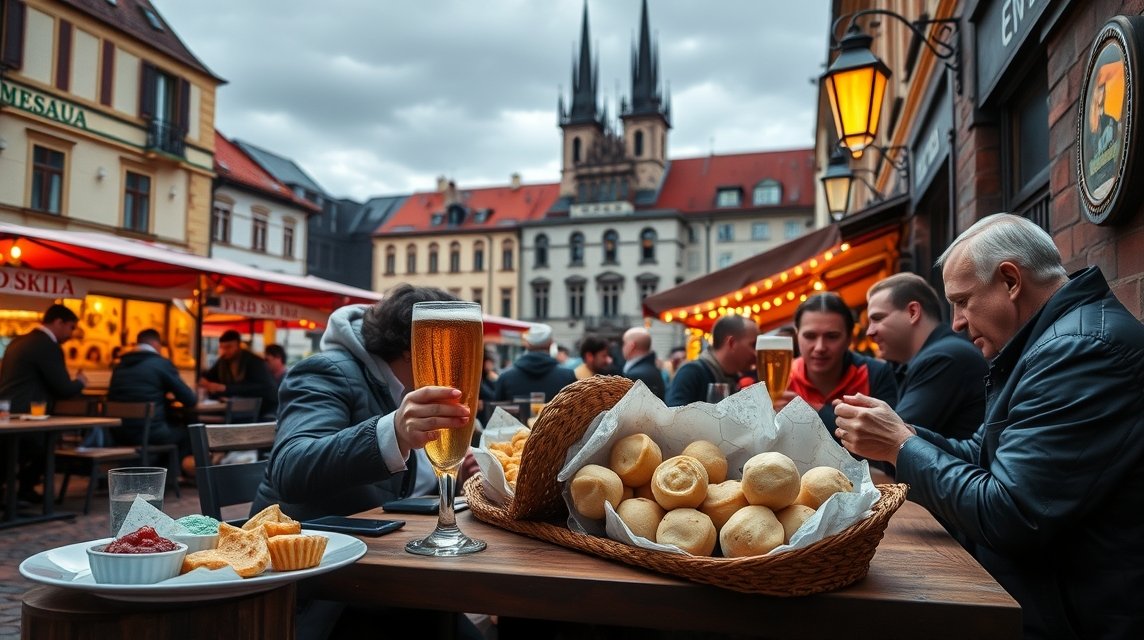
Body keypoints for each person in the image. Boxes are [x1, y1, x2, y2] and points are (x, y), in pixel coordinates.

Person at [833, 213, 1144, 639]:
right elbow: (983, 456)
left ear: (1011, 281)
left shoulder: (1078, 350)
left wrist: (902, 446)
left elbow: (1010, 514)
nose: (957, 322)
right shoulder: (1046, 343)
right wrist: (901, 438)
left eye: (962, 301)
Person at [250, 284, 481, 638]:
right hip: (321, 586)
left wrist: (459, 475)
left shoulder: (406, 392)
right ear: (413, 347)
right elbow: (290, 467)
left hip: (386, 569)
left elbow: (404, 486)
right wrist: (392, 432)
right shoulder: (326, 371)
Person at [865, 273, 986, 441]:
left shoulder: (944, 357)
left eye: (877, 318)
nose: (869, 332)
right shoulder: (939, 355)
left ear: (913, 312)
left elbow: (888, 441)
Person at [776, 292, 897, 439]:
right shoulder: (780, 377)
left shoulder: (875, 373)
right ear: (797, 335)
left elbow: (888, 438)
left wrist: (810, 410)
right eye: (810, 336)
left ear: (849, 339)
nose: (820, 347)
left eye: (832, 336)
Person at [0, 304, 87, 502]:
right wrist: (80, 382)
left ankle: (16, 493)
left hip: (7, 411)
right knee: (44, 448)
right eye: (71, 327)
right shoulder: (47, 345)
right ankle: (24, 491)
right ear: (58, 322)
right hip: (29, 415)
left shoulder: (18, 342)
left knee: (8, 455)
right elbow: (63, 387)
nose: (71, 334)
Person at [107, 328, 198, 462]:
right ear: (156, 344)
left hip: (118, 433)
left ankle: (159, 472)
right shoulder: (160, 364)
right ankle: (171, 477)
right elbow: (190, 399)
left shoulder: (119, 366)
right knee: (189, 433)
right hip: (150, 433)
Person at [665, 314, 758, 407]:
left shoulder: (736, 379)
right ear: (732, 343)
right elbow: (674, 417)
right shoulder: (691, 373)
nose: (756, 354)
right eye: (753, 345)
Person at [198, 329, 278, 421]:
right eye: (222, 347)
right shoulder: (223, 361)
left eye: (228, 347)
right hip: (237, 409)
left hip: (264, 409)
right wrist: (204, 381)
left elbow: (259, 386)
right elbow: (209, 376)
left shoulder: (253, 361)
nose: (225, 351)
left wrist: (226, 388)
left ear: (238, 345)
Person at [493, 324, 576, 406]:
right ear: (551, 344)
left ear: (527, 344)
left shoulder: (505, 377)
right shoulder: (568, 377)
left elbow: (497, 413)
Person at [620, 326, 665, 399]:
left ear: (631, 346)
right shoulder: (651, 369)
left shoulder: (636, 375)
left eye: (624, 343)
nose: (623, 347)